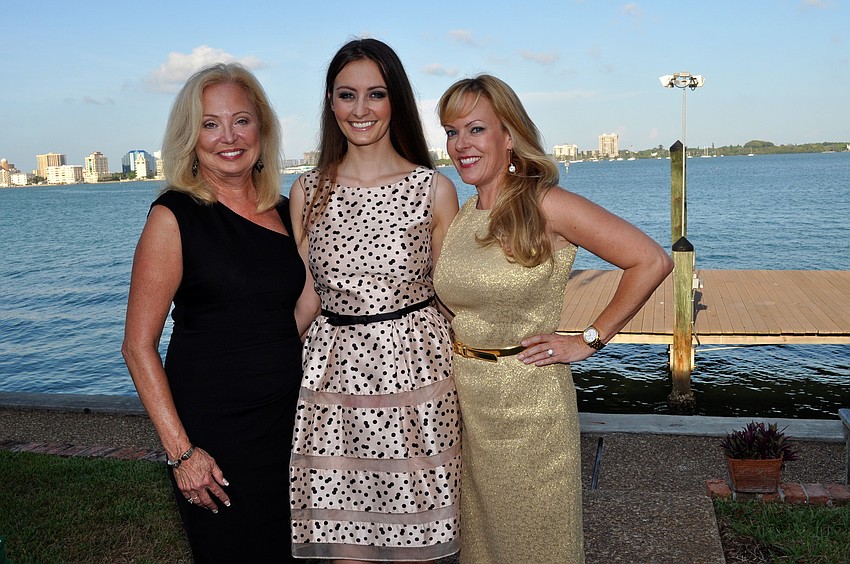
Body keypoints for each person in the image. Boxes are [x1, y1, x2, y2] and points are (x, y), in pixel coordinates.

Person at [434, 75, 674, 563]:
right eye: (452, 133)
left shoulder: (545, 204)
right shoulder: (463, 215)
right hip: (468, 401)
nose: (461, 145)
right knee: (483, 543)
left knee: (536, 539)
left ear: (509, 135)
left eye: (476, 129)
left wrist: (588, 339)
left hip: (529, 404)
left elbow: (650, 260)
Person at [122, 63, 314, 562]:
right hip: (215, 433)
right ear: (191, 137)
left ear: (262, 129)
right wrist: (182, 453)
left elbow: (302, 311)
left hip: (292, 423)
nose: (229, 137)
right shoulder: (174, 217)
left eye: (241, 121)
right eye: (210, 124)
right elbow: (138, 346)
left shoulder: (286, 210)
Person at [287, 38, 461, 562]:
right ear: (331, 102)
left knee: (415, 542)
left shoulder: (434, 189)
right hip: (332, 385)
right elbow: (307, 296)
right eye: (347, 95)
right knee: (347, 544)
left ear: (395, 100)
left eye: (375, 94)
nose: (360, 109)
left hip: (417, 380)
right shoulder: (306, 191)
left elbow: (453, 296)